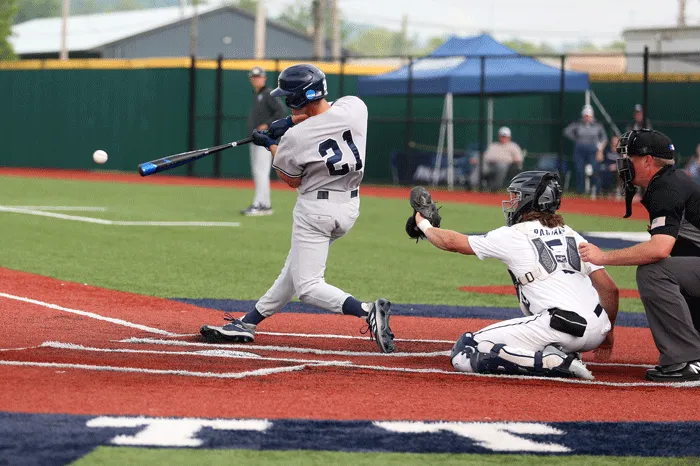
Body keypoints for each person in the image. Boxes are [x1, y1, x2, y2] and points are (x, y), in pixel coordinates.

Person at [201, 64, 396, 353]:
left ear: (298, 99)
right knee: (294, 271)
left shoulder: (295, 140)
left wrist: (270, 143)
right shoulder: (356, 108)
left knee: (308, 286)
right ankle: (248, 322)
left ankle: (366, 310)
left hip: (315, 210)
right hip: (350, 206)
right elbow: (328, 114)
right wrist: (292, 123)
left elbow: (291, 178)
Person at [408, 172, 619, 379]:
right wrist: (607, 336)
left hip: (560, 326)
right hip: (597, 330)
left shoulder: (514, 235)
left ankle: (550, 361)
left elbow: (452, 243)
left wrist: (424, 225)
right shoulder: (572, 234)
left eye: (517, 196)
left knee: (466, 350)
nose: (512, 203)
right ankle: (558, 352)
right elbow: (610, 289)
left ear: (530, 199)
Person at [579, 129, 700, 382]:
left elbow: (659, 250)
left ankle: (687, 359)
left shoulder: (665, 187)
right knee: (673, 268)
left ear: (647, 161)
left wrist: (604, 258)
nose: (623, 164)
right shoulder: (673, 181)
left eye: (628, 158)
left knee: (654, 271)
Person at [241, 66, 287, 216]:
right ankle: (264, 204)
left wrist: (267, 124)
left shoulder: (268, 93)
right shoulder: (258, 94)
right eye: (253, 77)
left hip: (265, 139)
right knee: (258, 172)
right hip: (256, 139)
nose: (256, 80)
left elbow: (281, 111)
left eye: (258, 77)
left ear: (264, 78)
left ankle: (260, 204)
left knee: (261, 172)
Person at [564, 105, 607, 195]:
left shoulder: (598, 125)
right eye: (585, 116)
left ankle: (597, 190)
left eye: (589, 116)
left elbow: (604, 138)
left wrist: (600, 149)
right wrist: (576, 139)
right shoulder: (578, 124)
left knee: (595, 169)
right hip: (580, 149)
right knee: (579, 169)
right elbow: (567, 131)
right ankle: (580, 191)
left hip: (593, 150)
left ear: (592, 116)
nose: (587, 118)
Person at [482, 126, 524, 192]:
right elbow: (486, 156)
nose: (503, 138)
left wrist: (507, 160)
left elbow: (519, 159)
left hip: (507, 166)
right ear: (499, 136)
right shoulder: (494, 145)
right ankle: (474, 184)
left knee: (502, 166)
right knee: (481, 165)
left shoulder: (513, 146)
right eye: (502, 136)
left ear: (509, 137)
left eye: (505, 136)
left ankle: (495, 188)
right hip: (490, 165)